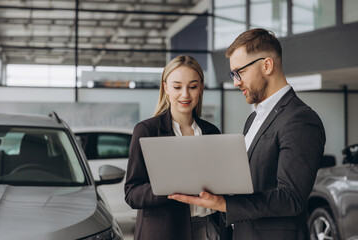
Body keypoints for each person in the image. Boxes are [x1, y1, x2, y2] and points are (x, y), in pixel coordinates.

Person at [169, 28, 326, 240]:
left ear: (267, 65)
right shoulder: (253, 119)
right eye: (233, 74)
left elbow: (291, 198)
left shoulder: (300, 119)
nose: (236, 82)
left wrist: (225, 204)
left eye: (239, 72)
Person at [125, 55, 222, 240]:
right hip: (166, 232)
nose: (185, 94)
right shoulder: (147, 130)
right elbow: (132, 193)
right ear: (166, 88)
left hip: (210, 228)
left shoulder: (211, 132)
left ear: (201, 88)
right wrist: (171, 186)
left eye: (192, 87)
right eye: (177, 87)